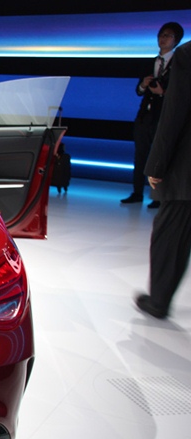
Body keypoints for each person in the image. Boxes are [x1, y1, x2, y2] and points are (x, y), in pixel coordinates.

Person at [136, 39, 191, 319]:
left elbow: (174, 112)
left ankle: (158, 301)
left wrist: (156, 164)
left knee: (171, 232)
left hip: (186, 166)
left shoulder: (187, 54)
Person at [121, 22, 184, 208]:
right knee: (140, 155)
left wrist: (162, 93)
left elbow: (181, 93)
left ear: (176, 40)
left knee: (160, 156)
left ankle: (158, 196)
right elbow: (138, 90)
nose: (163, 38)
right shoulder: (150, 62)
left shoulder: (180, 64)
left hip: (165, 117)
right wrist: (144, 85)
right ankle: (137, 192)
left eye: (168, 35)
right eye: (161, 35)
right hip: (145, 116)